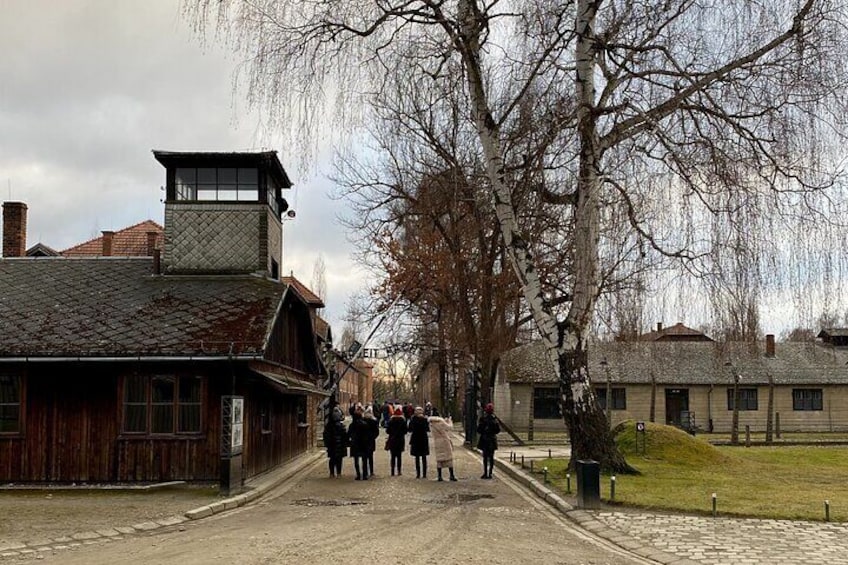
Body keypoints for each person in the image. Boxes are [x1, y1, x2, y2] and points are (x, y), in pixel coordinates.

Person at [429, 414, 457, 482]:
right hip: (444, 440)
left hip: (437, 441)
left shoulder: (431, 424)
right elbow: (450, 427)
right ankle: (451, 475)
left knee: (439, 458)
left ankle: (439, 476)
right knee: (449, 457)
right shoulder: (441, 422)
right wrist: (449, 421)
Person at [477, 403, 500, 479]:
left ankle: (485, 473)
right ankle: (490, 473)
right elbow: (498, 430)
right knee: (491, 457)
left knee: (485, 457)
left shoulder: (483, 419)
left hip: (484, 439)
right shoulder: (494, 419)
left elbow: (479, 430)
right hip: (492, 439)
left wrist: (484, 431)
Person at [323, 406, 348, 477]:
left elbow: (326, 435)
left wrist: (327, 443)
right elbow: (345, 436)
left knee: (332, 459)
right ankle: (339, 473)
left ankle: (331, 473)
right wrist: (346, 443)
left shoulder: (329, 426)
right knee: (339, 460)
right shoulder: (341, 426)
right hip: (340, 445)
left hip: (332, 444)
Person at [347, 404, 371, 480]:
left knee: (356, 460)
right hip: (364, 443)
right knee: (364, 460)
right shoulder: (365, 424)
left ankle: (358, 475)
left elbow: (348, 434)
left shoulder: (352, 425)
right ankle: (365, 475)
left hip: (355, 443)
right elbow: (368, 435)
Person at [408, 406, 430, 479]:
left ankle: (418, 474)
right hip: (423, 439)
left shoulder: (413, 419)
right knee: (424, 457)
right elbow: (427, 429)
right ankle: (424, 474)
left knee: (417, 457)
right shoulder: (425, 419)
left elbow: (410, 429)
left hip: (415, 439)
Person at [385, 407, 408, 476]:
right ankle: (399, 471)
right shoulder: (403, 421)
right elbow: (405, 431)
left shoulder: (391, 421)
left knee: (392, 456)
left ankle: (392, 471)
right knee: (399, 456)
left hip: (392, 439)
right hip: (400, 440)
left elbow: (387, 431)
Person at [362, 404, 380, 478]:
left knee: (364, 457)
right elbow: (376, 432)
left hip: (363, 440)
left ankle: (365, 472)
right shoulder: (374, 421)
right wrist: (373, 437)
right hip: (371, 440)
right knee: (370, 456)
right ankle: (371, 471)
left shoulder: (363, 420)